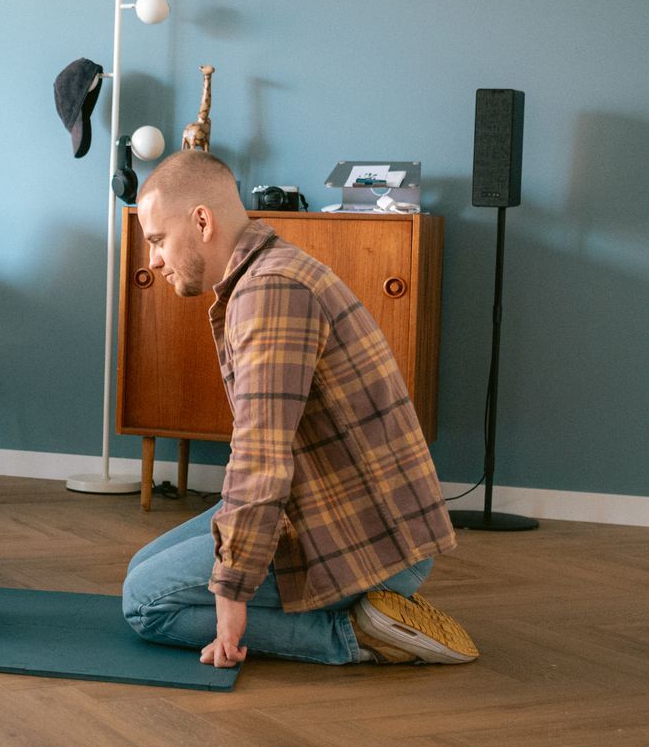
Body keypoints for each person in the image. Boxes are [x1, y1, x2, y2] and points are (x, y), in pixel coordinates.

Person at [120, 151, 478, 668]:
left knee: (144, 603)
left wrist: (231, 593)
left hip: (368, 544)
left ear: (201, 221)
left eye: (157, 239)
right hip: (332, 509)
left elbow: (259, 459)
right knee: (142, 568)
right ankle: (374, 614)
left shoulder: (270, 291)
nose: (153, 260)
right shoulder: (266, 272)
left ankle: (356, 632)